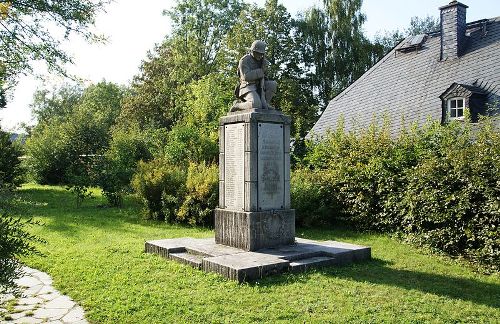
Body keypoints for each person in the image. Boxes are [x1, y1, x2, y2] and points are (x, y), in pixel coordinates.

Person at [231, 40, 277, 111]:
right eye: (258, 53)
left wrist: (266, 69)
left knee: (272, 84)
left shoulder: (262, 61)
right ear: (253, 51)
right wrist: (261, 71)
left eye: (262, 54)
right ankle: (237, 105)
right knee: (255, 105)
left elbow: (265, 76)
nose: (260, 56)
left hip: (260, 85)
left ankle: (265, 103)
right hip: (247, 86)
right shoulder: (244, 60)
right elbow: (246, 77)